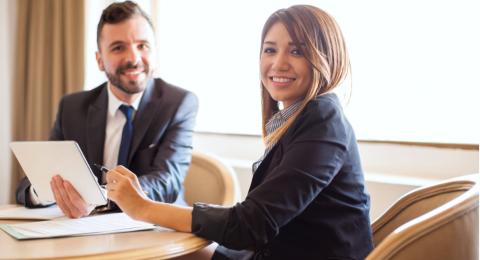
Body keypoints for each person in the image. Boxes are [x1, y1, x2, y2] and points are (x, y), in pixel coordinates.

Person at [106, 5, 373, 259]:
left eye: (297, 52)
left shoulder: (323, 119)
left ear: (326, 57)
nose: (278, 63)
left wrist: (144, 208)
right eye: (270, 50)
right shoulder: (299, 118)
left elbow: (252, 225)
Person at [15, 1, 198, 219]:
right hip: (86, 231)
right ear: (100, 60)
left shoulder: (178, 103)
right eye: (118, 47)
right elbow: (36, 179)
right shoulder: (72, 108)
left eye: (142, 45)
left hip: (155, 228)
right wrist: (49, 192)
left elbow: (167, 182)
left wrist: (99, 199)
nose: (133, 58)